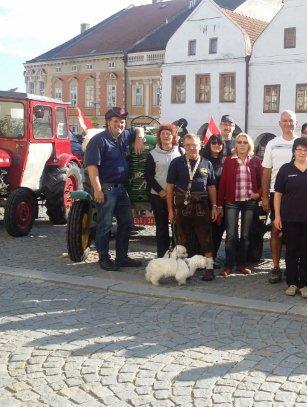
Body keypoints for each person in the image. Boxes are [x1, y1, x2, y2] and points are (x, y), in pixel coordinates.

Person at [84, 107, 145, 271]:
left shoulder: (124, 135)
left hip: (121, 189)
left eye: (122, 121)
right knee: (105, 225)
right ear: (108, 122)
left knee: (126, 223)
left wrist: (139, 137)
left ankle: (122, 257)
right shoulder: (98, 140)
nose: (119, 124)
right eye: (116, 121)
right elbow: (92, 167)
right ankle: (104, 258)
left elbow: (139, 128)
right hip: (106, 188)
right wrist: (97, 190)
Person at [273, 137, 307, 298]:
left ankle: (304, 284)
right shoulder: (285, 169)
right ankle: (291, 283)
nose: (302, 152)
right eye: (299, 149)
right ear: (294, 151)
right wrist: (277, 215)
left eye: (305, 150)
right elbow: (278, 193)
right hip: (289, 218)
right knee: (291, 251)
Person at [166, 134, 217, 281]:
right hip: (182, 208)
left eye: (194, 144)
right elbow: (169, 188)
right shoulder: (176, 163)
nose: (191, 148)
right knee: (183, 239)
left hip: (202, 208)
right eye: (188, 145)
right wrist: (170, 210)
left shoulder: (207, 163)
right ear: (184, 146)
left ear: (200, 145)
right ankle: (183, 269)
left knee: (206, 238)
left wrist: (214, 206)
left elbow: (212, 187)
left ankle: (209, 268)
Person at [216, 133, 262, 276]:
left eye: (245, 142)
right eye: (239, 142)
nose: (242, 145)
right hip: (232, 201)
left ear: (249, 145)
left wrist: (258, 193)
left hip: (249, 202)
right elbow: (222, 183)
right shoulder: (229, 161)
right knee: (231, 235)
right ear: (236, 145)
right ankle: (229, 265)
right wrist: (218, 205)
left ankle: (242, 264)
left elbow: (263, 181)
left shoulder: (255, 160)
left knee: (246, 235)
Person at [261, 110, 297, 283]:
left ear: (295, 123)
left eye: (291, 120)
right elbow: (266, 171)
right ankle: (275, 267)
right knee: (276, 230)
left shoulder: (302, 142)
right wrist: (265, 197)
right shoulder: (272, 144)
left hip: (298, 195)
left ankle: (294, 265)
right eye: (285, 120)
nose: (288, 123)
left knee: (295, 232)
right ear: (280, 123)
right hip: (277, 194)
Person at [144, 123, 183, 258]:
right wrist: (160, 190)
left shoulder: (180, 152)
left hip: (176, 196)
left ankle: (177, 255)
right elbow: (148, 175)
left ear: (173, 136)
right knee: (162, 228)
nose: (166, 136)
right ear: (159, 136)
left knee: (177, 227)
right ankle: (162, 256)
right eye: (163, 134)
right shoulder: (152, 154)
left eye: (168, 133)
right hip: (158, 196)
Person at [201, 133, 226, 264]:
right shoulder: (203, 160)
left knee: (217, 231)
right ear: (209, 144)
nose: (217, 145)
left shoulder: (225, 162)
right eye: (214, 143)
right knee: (205, 230)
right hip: (205, 200)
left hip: (221, 201)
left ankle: (213, 257)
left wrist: (219, 204)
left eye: (219, 143)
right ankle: (203, 256)